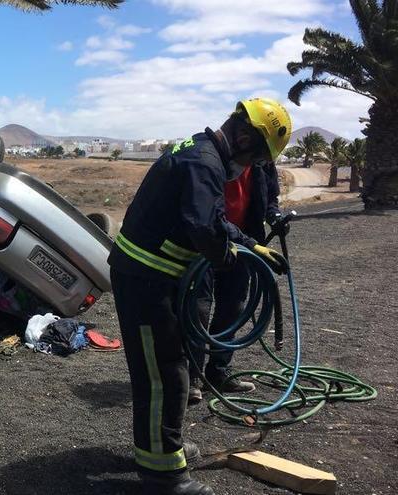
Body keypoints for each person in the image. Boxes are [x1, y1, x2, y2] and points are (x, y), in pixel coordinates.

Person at [107, 98, 291, 495]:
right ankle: (163, 475)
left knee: (172, 368)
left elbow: (218, 221)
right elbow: (205, 229)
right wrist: (229, 258)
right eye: (257, 157)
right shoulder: (203, 163)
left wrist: (252, 247)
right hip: (145, 280)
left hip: (157, 279)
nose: (254, 167)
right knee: (164, 377)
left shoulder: (201, 152)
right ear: (244, 137)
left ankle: (161, 448)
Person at [187, 158, 287, 403]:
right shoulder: (213, 161)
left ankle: (218, 371)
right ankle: (192, 377)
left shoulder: (263, 162)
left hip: (243, 246)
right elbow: (207, 213)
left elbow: (271, 197)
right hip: (207, 244)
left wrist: (274, 216)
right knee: (198, 309)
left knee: (233, 309)